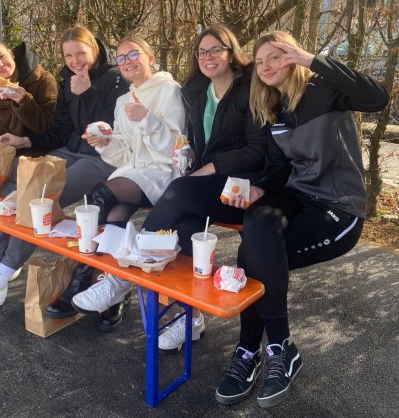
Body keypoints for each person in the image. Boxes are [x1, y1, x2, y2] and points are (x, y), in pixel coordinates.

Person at [213, 31, 388, 409]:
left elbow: (378, 97)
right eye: (259, 62)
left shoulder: (324, 89)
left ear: (292, 55)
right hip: (295, 197)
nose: (266, 67)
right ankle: (275, 348)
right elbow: (278, 170)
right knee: (256, 226)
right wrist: (258, 190)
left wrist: (311, 59)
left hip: (337, 209)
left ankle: (252, 351)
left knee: (254, 257)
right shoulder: (271, 105)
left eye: (275, 57)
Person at [0, 26, 129, 316]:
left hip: (104, 159)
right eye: (68, 55)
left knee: (37, 196)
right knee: (25, 185)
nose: (75, 60)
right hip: (67, 151)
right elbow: (58, 131)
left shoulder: (115, 79)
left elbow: (115, 131)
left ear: (94, 49)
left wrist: (88, 94)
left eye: (81, 52)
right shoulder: (67, 78)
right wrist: (25, 141)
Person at [140, 24, 270, 353]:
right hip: (209, 183)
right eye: (202, 52)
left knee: (181, 192)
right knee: (185, 225)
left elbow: (256, 150)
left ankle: (135, 258)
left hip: (244, 188)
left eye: (215, 50)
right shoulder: (197, 94)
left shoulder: (250, 88)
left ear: (231, 53)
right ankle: (190, 318)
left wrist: (205, 169)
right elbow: (201, 145)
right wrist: (188, 154)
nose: (208, 57)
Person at [67, 35, 186, 326]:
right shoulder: (122, 101)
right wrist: (104, 142)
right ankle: (113, 288)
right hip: (133, 171)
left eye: (133, 54)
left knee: (101, 196)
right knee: (114, 210)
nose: (127, 62)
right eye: (121, 58)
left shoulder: (170, 91)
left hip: (163, 173)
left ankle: (84, 277)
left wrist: (149, 120)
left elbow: (176, 148)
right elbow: (122, 156)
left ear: (150, 57)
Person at [0, 37, 57, 143]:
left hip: (38, 148)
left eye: (1, 56)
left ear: (11, 54)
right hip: (7, 149)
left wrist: (24, 101)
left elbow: (48, 125)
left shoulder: (42, 80)